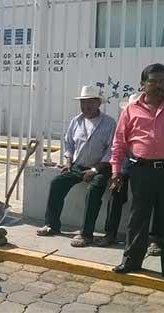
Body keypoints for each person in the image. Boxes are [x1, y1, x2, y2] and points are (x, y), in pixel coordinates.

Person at [110, 63, 164, 285]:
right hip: (140, 170)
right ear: (142, 84)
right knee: (138, 218)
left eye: (162, 81)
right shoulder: (130, 109)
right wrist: (116, 170)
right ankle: (131, 262)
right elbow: (119, 142)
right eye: (153, 81)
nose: (158, 86)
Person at [36, 86, 117, 248]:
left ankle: (86, 234)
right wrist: (68, 162)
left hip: (100, 168)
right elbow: (69, 144)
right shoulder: (76, 121)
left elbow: (111, 151)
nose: (85, 106)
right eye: (83, 102)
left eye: (89, 103)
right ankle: (52, 224)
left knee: (93, 191)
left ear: (98, 103)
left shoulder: (109, 123)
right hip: (78, 166)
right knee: (57, 183)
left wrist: (94, 170)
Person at [95, 93, 140, 247]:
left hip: (145, 164)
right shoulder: (124, 121)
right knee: (116, 193)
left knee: (150, 198)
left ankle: (153, 239)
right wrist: (116, 171)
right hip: (126, 163)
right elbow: (117, 146)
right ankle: (110, 233)